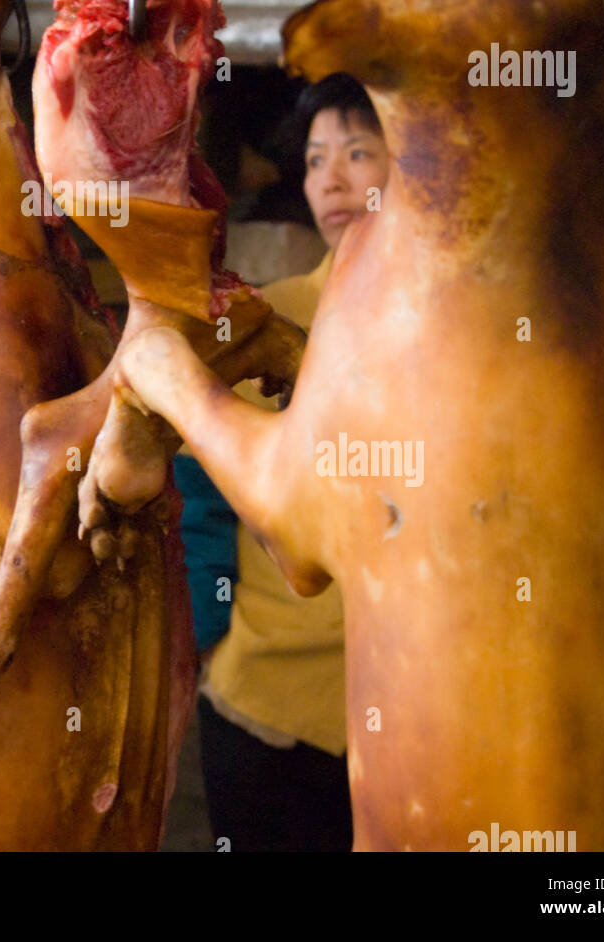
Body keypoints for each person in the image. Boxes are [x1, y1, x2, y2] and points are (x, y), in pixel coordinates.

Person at [174, 72, 390, 851]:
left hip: (414, 717)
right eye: (314, 159)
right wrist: (203, 636)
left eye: (359, 153)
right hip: (267, 707)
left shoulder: (470, 339)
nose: (329, 179)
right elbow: (197, 485)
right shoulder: (269, 319)